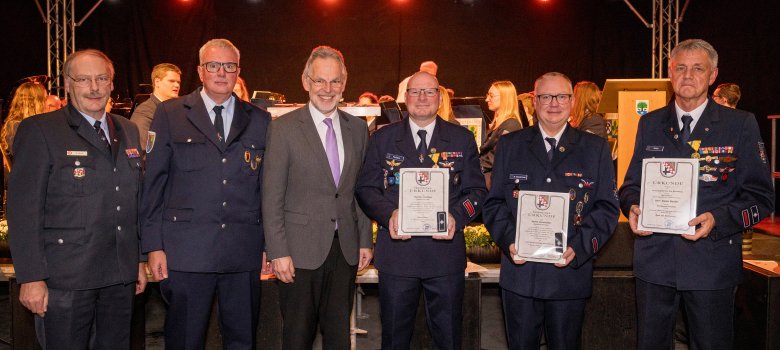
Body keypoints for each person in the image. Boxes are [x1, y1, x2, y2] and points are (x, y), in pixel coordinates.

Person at [618, 39, 774, 350]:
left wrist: (719, 219)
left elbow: (762, 198)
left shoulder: (739, 124)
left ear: (713, 74)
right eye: (681, 68)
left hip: (711, 265)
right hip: (655, 263)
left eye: (698, 68)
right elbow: (630, 186)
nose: (688, 75)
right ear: (670, 73)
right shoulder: (650, 123)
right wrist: (633, 206)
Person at [7, 49, 146, 349]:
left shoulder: (129, 130)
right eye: (83, 79)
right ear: (68, 85)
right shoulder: (41, 131)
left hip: (118, 278)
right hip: (64, 280)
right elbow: (23, 211)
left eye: (101, 78)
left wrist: (137, 261)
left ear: (112, 84)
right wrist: (30, 277)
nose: (94, 87)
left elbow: (132, 203)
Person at [140, 39, 271, 348]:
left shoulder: (259, 120)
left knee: (243, 340)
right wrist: (153, 246)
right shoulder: (171, 114)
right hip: (186, 252)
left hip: (242, 252)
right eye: (213, 65)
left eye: (229, 66)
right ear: (200, 71)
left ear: (238, 71)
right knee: (185, 340)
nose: (221, 72)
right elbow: (154, 184)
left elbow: (266, 188)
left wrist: (268, 245)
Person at [483, 72, 619, 349]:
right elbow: (494, 202)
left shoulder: (595, 148)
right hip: (521, 274)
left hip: (569, 274)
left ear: (571, 101)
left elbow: (607, 207)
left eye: (561, 96)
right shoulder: (510, 145)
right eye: (546, 96)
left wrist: (579, 248)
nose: (553, 103)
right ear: (534, 102)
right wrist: (510, 240)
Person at [356, 71, 487, 349]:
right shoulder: (383, 138)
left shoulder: (461, 139)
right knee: (394, 337)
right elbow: (366, 189)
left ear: (439, 97)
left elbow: (477, 192)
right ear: (405, 98)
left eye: (429, 91)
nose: (422, 98)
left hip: (444, 256)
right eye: (415, 92)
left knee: (449, 338)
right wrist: (389, 213)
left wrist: (456, 216)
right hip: (398, 256)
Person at [262, 45, 372, 350]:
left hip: (345, 250)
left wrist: (365, 239)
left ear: (344, 83)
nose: (328, 89)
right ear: (305, 81)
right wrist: (277, 251)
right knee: (297, 338)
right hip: (298, 253)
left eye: (335, 81)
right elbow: (272, 196)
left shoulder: (358, 129)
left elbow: (358, 191)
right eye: (320, 81)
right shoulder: (283, 129)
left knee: (339, 337)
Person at [480, 81, 524, 189]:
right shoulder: (499, 124)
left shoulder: (512, 125)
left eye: (491, 95)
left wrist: (472, 167)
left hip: (494, 184)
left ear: (505, 98)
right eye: (487, 95)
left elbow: (497, 157)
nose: (487, 99)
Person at [130, 63, 181, 150]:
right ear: (157, 82)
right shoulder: (145, 112)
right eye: (171, 81)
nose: (177, 85)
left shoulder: (180, 108)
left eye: (178, 82)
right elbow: (145, 151)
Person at [1, 82, 47, 173]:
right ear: (36, 102)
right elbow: (33, 160)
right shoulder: (20, 126)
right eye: (44, 100)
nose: (45, 104)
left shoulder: (14, 124)